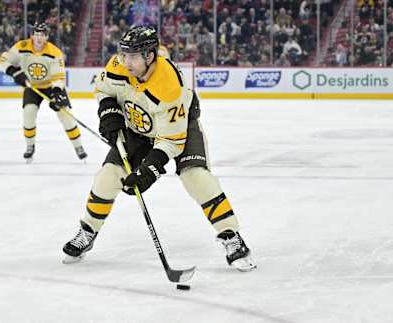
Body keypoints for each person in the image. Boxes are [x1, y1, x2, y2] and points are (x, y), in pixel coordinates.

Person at [62, 26, 256, 272]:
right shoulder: (118, 65)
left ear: (149, 56)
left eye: (132, 56)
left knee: (195, 177)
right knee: (109, 175)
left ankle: (231, 237)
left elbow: (171, 141)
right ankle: (87, 231)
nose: (125, 61)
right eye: (123, 54)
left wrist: (149, 170)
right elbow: (103, 89)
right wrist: (108, 111)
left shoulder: (170, 86)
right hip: (137, 128)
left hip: (179, 129)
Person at [0, 22, 87, 162]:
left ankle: (78, 146)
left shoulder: (54, 52)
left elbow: (59, 76)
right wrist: (13, 72)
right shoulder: (21, 47)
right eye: (36, 34)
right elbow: (3, 60)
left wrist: (57, 93)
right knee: (29, 113)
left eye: (42, 35)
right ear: (32, 35)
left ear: (47, 37)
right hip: (32, 86)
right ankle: (30, 146)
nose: (39, 38)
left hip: (51, 86)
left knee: (65, 114)